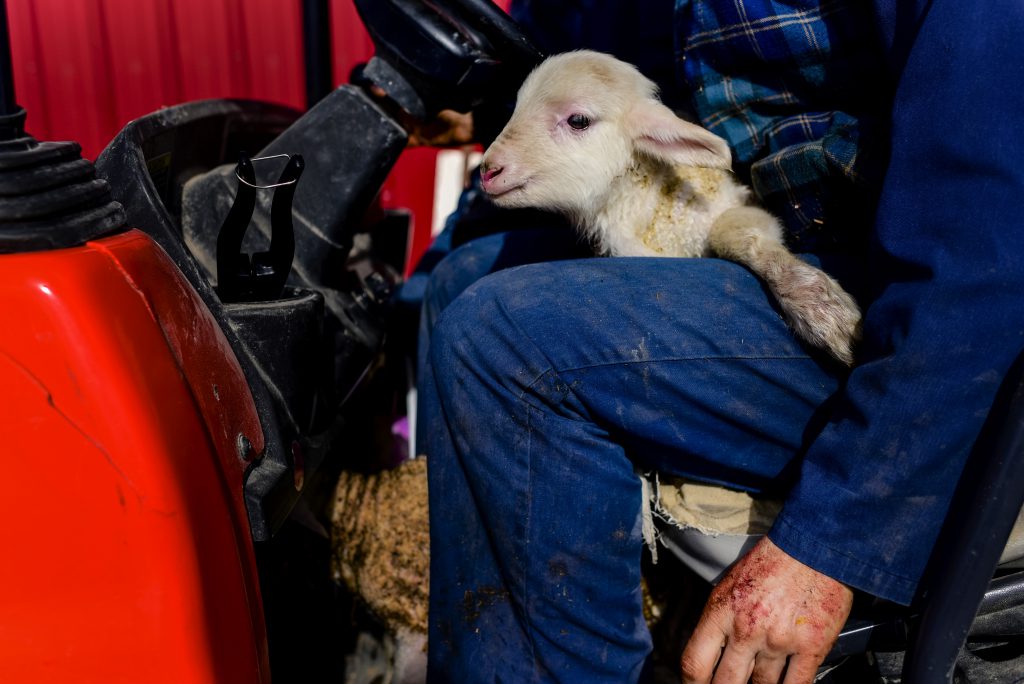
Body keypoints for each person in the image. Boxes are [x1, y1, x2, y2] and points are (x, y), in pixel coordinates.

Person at [412, 0, 1024, 681]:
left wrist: (833, 541)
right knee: (458, 283)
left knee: (504, 341)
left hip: (931, 330)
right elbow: (568, 50)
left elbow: (988, 248)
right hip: (789, 244)